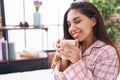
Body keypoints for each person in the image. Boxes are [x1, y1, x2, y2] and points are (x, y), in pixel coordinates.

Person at [51, 1, 120, 80]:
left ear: (93, 21)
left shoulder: (107, 52)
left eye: (77, 21)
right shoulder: (75, 47)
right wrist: (64, 56)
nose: (72, 29)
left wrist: (77, 61)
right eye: (69, 24)